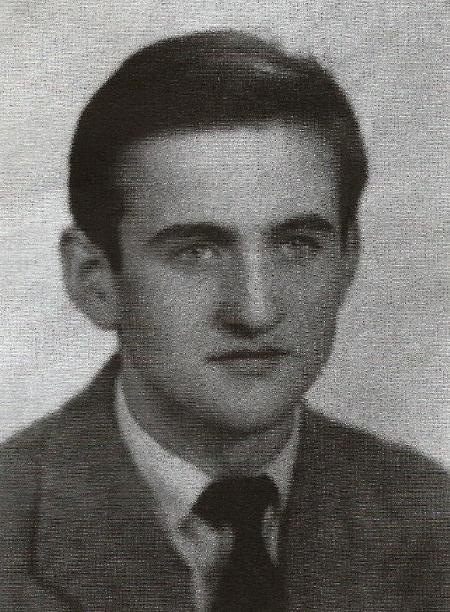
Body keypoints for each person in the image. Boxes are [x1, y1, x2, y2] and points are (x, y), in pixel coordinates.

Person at [0, 30, 447, 612]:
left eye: (296, 245)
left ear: (347, 259)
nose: (254, 311)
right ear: (96, 279)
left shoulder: (431, 517)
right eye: (197, 251)